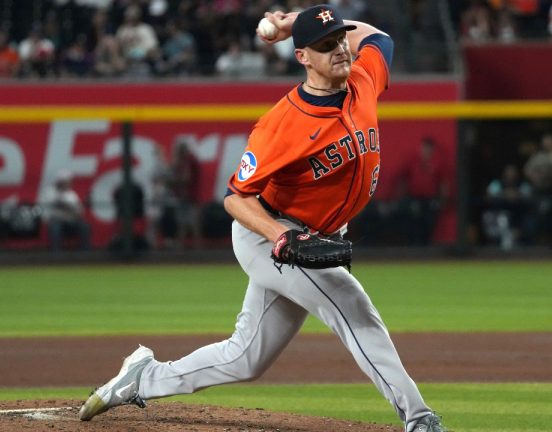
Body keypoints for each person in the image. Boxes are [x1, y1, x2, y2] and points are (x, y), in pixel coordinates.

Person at [79, 5, 446, 432]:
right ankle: (419, 419)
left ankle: (144, 377)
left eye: (340, 41)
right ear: (303, 57)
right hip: (271, 234)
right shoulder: (282, 125)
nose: (340, 51)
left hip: (314, 234)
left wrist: (295, 22)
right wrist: (280, 236)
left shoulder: (363, 79)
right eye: (326, 46)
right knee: (353, 309)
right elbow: (236, 199)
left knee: (245, 357)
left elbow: (379, 37)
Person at [401, 137, 449, 246]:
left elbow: (443, 183)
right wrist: (403, 197)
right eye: (424, 147)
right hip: (415, 198)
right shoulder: (413, 162)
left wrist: (443, 199)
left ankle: (426, 248)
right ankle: (414, 246)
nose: (425, 150)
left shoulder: (437, 163)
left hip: (430, 199)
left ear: (432, 149)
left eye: (428, 148)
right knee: (413, 223)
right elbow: (404, 180)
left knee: (429, 224)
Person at [42, 170, 90, 251]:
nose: (70, 183)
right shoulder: (49, 192)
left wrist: (77, 210)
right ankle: (56, 254)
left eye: (69, 181)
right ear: (60, 182)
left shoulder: (71, 194)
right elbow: (50, 208)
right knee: (55, 228)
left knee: (85, 226)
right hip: (56, 220)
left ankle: (84, 253)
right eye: (67, 181)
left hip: (71, 220)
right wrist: (65, 206)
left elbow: (79, 211)